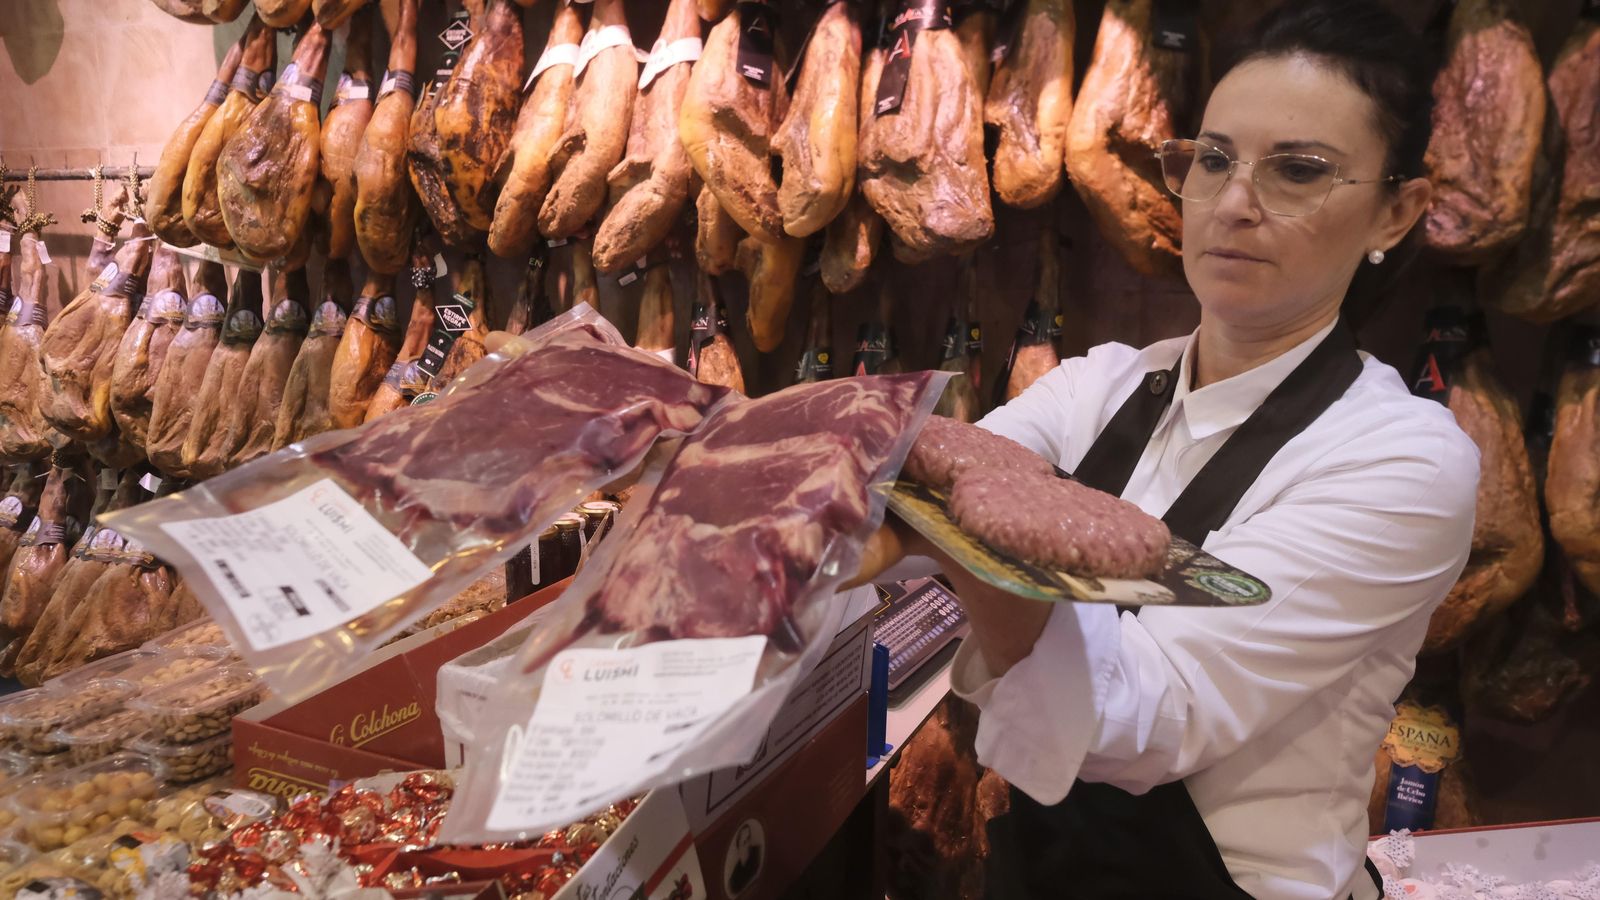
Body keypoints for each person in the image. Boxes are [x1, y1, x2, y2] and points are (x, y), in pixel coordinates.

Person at [863, 2, 1479, 897]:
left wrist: (961, 542)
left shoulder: (1405, 460)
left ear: (1396, 214)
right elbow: (932, 483)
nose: (1234, 203)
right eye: (1214, 160)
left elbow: (1147, 715)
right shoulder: (1102, 382)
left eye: (1299, 171)